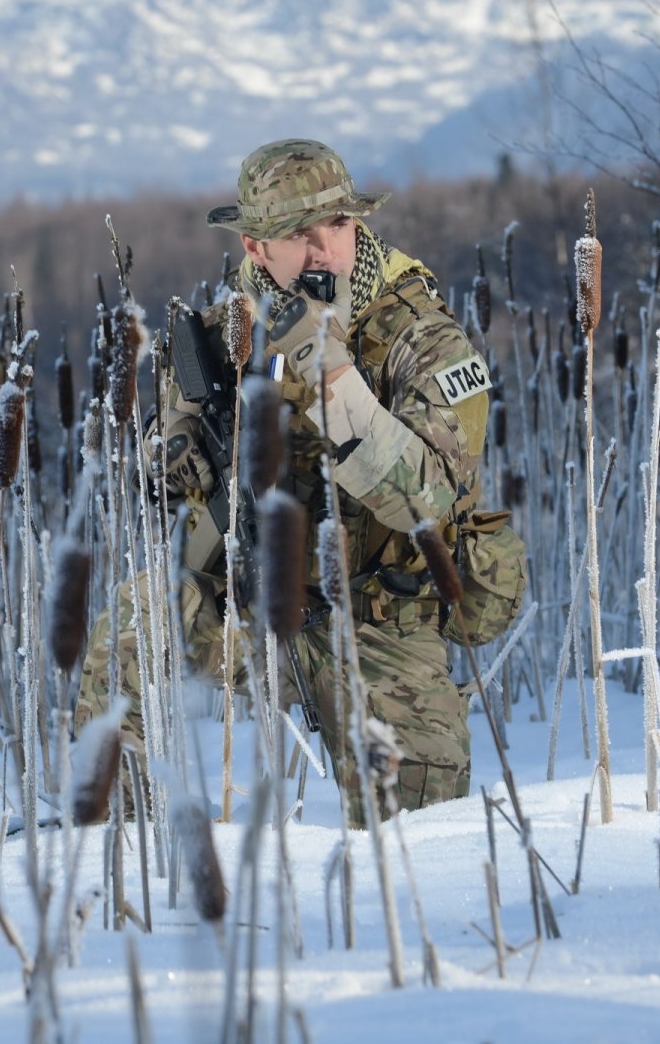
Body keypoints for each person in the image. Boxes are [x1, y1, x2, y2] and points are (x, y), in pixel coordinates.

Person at [108, 139, 520, 817]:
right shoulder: (223, 334)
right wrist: (176, 454)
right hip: (257, 605)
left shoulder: (420, 334)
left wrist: (333, 381)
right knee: (124, 635)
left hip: (382, 616)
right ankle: (114, 855)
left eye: (340, 226)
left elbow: (430, 496)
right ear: (254, 248)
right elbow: (169, 495)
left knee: (416, 831)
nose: (327, 251)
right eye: (299, 235)